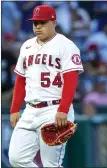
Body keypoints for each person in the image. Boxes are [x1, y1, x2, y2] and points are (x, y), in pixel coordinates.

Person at [8, 5, 84, 167]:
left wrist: (63, 110)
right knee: (16, 159)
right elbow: (21, 80)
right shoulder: (27, 46)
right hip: (30, 110)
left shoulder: (67, 46)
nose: (38, 27)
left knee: (50, 163)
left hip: (54, 109)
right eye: (35, 23)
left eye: (42, 22)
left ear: (54, 22)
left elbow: (71, 81)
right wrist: (15, 109)